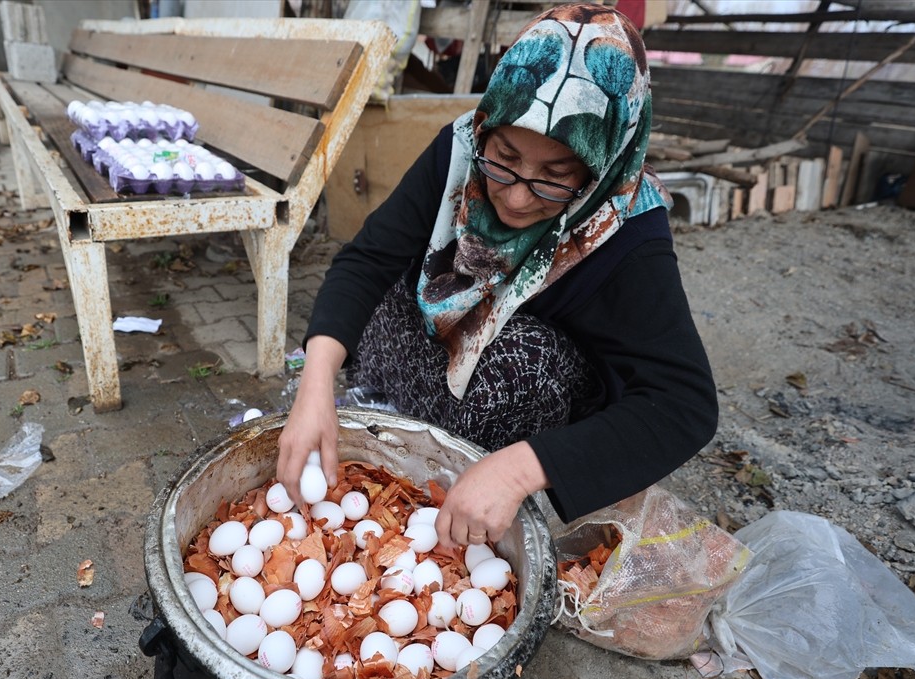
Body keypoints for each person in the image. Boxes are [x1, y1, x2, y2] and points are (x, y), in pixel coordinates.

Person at [277, 3, 717, 549]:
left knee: (521, 368)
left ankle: (485, 471)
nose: (513, 195)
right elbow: (368, 259)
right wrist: (314, 383)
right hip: (438, 344)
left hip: (519, 396)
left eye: (555, 179)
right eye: (504, 158)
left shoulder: (626, 229)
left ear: (599, 171)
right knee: (378, 305)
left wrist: (521, 469)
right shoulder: (461, 152)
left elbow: (684, 405)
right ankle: (410, 425)